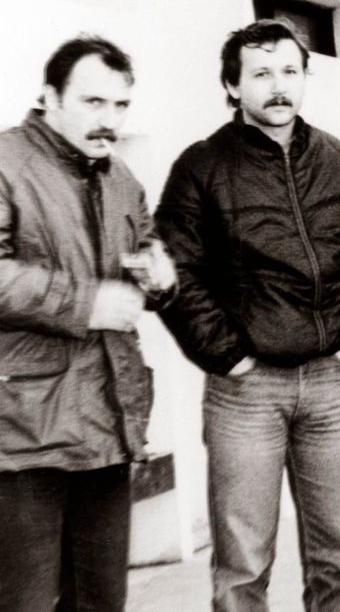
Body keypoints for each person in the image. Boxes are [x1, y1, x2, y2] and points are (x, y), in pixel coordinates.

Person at [155, 19, 340, 611]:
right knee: (243, 568)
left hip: (330, 386)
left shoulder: (335, 158)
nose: (279, 85)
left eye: (290, 71)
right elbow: (175, 270)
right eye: (261, 73)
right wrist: (227, 355)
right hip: (246, 393)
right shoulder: (201, 166)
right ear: (232, 86)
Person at [0, 36, 175, 611]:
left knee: (101, 602)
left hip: (107, 427)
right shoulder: (5, 162)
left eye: (121, 105)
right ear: (50, 97)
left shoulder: (121, 178)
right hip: (22, 438)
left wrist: (160, 278)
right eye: (93, 102)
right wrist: (84, 304)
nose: (110, 120)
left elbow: (146, 251)